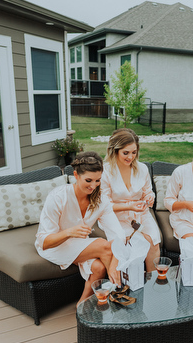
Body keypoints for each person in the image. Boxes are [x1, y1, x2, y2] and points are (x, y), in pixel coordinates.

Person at [35, 151, 126, 305]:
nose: (93, 186)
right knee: (104, 246)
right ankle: (119, 291)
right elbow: (44, 242)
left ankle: (82, 304)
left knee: (98, 267)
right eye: (88, 180)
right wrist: (69, 232)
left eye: (98, 180)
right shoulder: (58, 197)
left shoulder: (101, 200)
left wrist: (114, 266)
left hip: (80, 245)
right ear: (76, 175)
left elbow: (119, 235)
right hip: (54, 246)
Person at [100, 128, 161, 271]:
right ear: (114, 150)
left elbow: (148, 191)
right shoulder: (105, 172)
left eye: (134, 152)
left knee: (153, 242)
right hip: (116, 216)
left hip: (140, 214)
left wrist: (149, 197)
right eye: (125, 153)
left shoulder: (142, 169)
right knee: (131, 245)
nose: (130, 157)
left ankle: (151, 283)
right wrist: (130, 206)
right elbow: (105, 205)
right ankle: (130, 285)